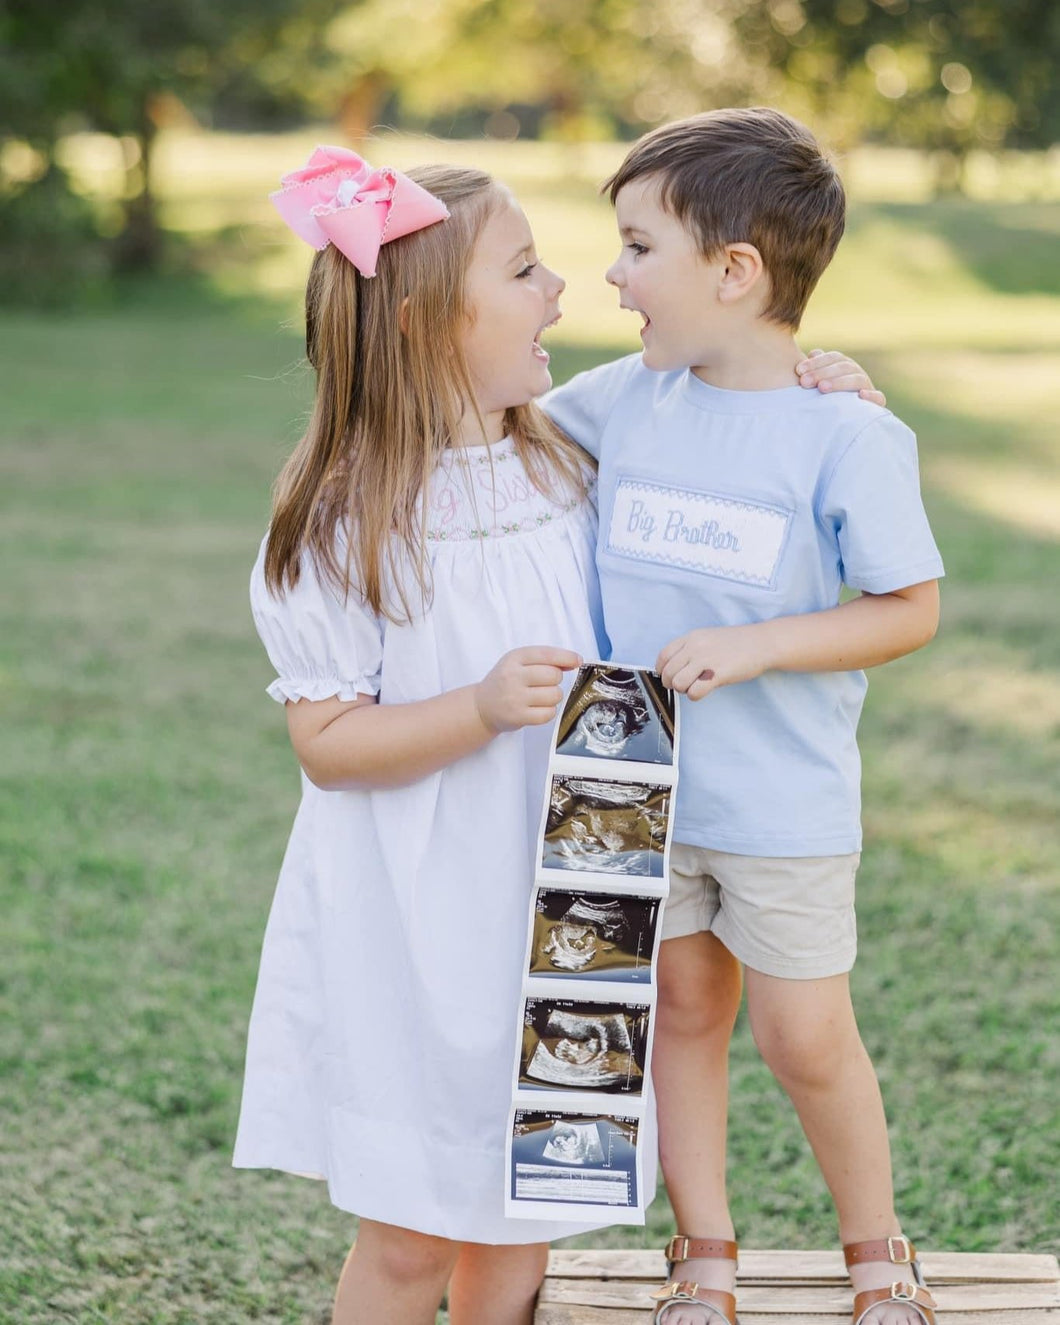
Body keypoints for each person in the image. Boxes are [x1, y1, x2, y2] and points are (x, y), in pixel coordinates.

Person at [233, 145, 882, 1325]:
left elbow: (728, 417)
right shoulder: (342, 521)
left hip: (580, 899)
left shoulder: (566, 450)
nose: (566, 290)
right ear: (431, 319)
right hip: (428, 915)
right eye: (527, 269)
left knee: (530, 1218)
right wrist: (475, 707)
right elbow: (327, 743)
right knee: (414, 1232)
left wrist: (816, 383)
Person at [543, 108, 944, 1325]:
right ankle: (702, 1252)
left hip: (779, 802)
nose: (612, 278)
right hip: (623, 797)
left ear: (734, 271)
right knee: (675, 1019)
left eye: (636, 247)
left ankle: (877, 1252)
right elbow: (498, 451)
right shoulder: (625, 399)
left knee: (805, 1036)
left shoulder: (848, 432)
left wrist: (758, 645)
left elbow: (909, 606)